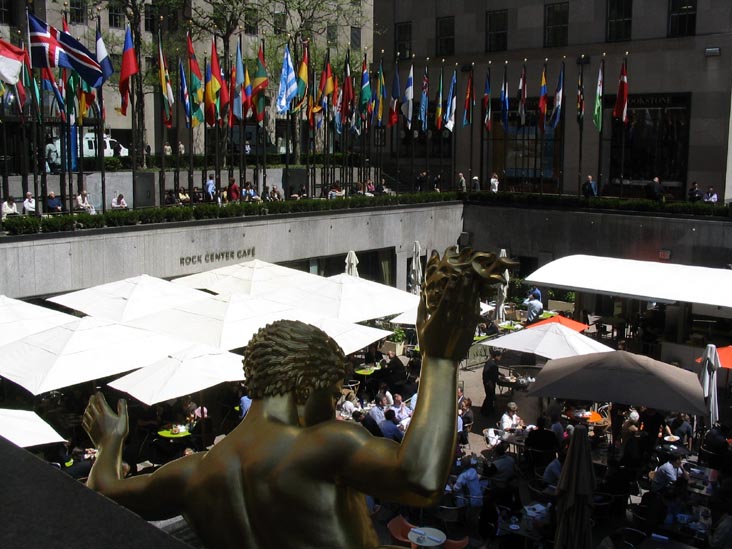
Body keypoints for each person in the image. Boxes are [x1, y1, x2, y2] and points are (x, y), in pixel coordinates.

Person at [81, 246, 504, 549]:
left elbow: (104, 491)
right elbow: (421, 480)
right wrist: (441, 359)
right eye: (331, 395)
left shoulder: (192, 474)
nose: (334, 408)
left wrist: (110, 442)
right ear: (304, 387)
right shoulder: (322, 446)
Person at [481, 349, 500, 416]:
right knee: (489, 397)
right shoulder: (490, 363)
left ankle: (485, 410)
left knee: (490, 397)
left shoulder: (493, 363)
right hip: (489, 383)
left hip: (492, 383)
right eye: (499, 356)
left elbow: (494, 371)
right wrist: (489, 382)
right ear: (496, 356)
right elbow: (485, 373)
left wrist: (500, 374)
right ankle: (486, 412)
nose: (500, 358)